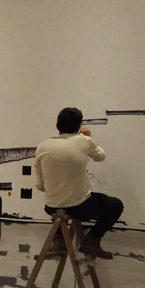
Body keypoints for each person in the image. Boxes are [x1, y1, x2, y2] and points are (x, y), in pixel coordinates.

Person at [34, 107, 123, 260]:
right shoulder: (83, 141)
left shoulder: (42, 146)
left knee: (58, 202)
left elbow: (40, 185)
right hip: (80, 207)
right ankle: (92, 240)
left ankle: (59, 240)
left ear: (57, 126)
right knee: (116, 205)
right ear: (79, 126)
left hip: (51, 207)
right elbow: (100, 156)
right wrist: (88, 137)